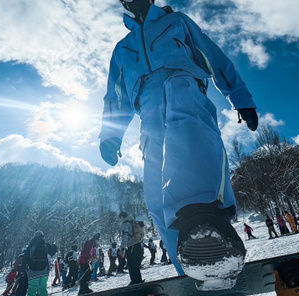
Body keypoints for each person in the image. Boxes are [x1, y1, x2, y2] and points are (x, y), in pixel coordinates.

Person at [98, 0, 258, 287]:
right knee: (156, 194)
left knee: (192, 145)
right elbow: (116, 95)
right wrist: (110, 134)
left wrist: (240, 96)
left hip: (183, 85)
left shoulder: (177, 23)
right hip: (147, 107)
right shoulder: (123, 48)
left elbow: (213, 57)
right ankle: (190, 267)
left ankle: (208, 226)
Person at [21, 231, 51, 296]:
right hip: (44, 271)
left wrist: (22, 270)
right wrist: (55, 245)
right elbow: (53, 250)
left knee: (32, 290)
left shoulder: (31, 246)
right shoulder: (46, 245)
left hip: (33, 272)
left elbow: (25, 259)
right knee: (43, 289)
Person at [120, 212, 144, 285]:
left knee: (131, 264)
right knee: (136, 264)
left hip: (131, 245)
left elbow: (125, 236)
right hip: (138, 244)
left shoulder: (125, 223)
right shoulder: (133, 221)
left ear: (122, 217)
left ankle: (134, 281)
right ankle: (138, 279)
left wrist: (122, 248)